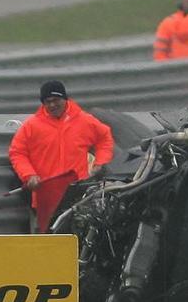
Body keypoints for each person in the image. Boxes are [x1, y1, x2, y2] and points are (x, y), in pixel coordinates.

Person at [8, 80, 115, 212]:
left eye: (56, 100)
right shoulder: (31, 126)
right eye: (48, 101)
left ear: (65, 99)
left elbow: (105, 137)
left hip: (79, 195)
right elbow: (17, 152)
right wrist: (29, 175)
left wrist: (100, 162)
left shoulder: (85, 121)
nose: (52, 105)